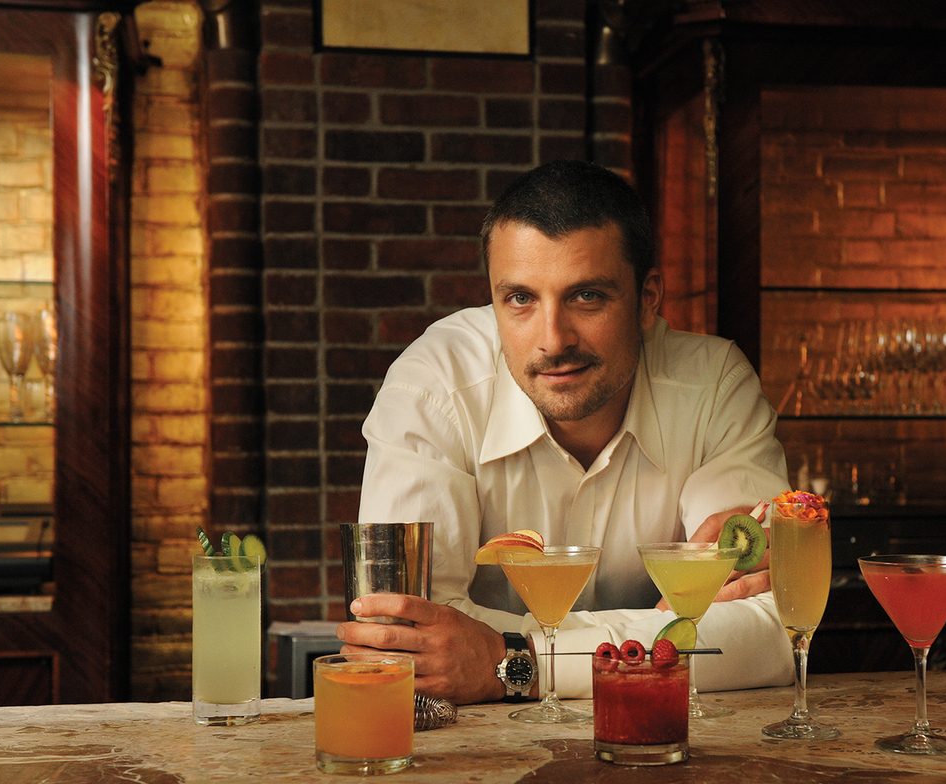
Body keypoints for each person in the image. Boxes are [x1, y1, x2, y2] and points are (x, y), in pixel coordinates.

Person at [338, 160, 794, 705]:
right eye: (520, 299)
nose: (553, 340)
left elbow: (772, 631)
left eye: (587, 296)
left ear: (648, 300)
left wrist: (514, 661)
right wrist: (656, 635)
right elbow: (407, 637)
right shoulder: (433, 388)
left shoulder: (715, 387)